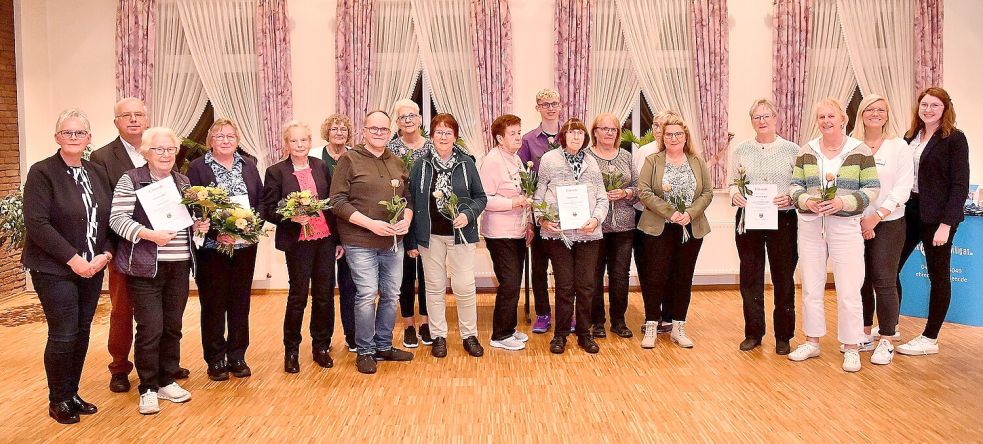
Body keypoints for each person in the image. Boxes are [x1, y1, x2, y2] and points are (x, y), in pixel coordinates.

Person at [90, 97, 188, 392]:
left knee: (168, 322)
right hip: (128, 250)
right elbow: (109, 211)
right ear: (116, 121)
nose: (133, 119)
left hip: (174, 261)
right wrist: (144, 234)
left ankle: (164, 371)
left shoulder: (179, 178)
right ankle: (121, 368)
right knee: (126, 314)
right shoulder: (106, 158)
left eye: (139, 114)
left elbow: (184, 216)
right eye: (126, 115)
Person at [23, 109, 114, 424]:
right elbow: (37, 223)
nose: (74, 138)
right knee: (63, 333)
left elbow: (110, 219)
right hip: (54, 269)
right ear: (57, 137)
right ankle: (58, 399)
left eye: (80, 133)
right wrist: (73, 259)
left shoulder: (97, 172)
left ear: (89, 139)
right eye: (67, 132)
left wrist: (106, 254)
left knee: (82, 330)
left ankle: (72, 392)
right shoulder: (42, 172)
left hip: (93, 267)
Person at [788, 98, 880, 373]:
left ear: (843, 119)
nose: (826, 121)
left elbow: (872, 189)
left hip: (845, 226)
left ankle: (851, 346)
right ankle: (812, 341)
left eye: (831, 116)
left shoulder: (860, 151)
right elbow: (795, 186)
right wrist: (806, 200)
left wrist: (843, 203)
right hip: (811, 225)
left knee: (849, 289)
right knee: (811, 286)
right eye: (821, 117)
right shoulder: (807, 151)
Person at [110, 126, 196, 414]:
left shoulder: (182, 181)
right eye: (159, 149)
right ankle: (147, 386)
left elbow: (188, 221)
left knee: (173, 327)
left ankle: (167, 380)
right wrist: (149, 234)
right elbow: (117, 219)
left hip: (179, 266)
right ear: (145, 152)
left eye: (170, 149)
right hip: (145, 268)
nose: (165, 154)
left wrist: (200, 226)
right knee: (150, 328)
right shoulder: (130, 180)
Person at [331, 110, 415, 374]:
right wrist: (370, 224)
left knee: (392, 294)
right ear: (364, 131)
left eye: (384, 129)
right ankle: (365, 350)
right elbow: (337, 202)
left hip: (392, 242)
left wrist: (407, 220)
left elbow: (408, 199)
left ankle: (383, 345)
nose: (379, 133)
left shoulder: (397, 161)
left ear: (391, 133)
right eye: (374, 129)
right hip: (360, 241)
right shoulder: (349, 159)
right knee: (366, 295)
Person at [260, 121, 340, 374]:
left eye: (303, 140)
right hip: (298, 244)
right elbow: (268, 209)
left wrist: (338, 240)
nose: (299, 145)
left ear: (310, 141)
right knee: (297, 297)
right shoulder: (275, 172)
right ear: (286, 144)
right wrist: (291, 217)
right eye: (294, 141)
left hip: (325, 240)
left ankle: (321, 347)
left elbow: (331, 204)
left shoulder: (320, 166)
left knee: (325, 295)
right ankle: (291, 350)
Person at [186, 119, 264, 380]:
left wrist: (250, 228)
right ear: (210, 140)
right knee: (214, 303)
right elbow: (193, 205)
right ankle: (216, 359)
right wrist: (217, 232)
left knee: (240, 302)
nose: (226, 140)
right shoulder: (198, 167)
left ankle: (238, 355)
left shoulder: (249, 166)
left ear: (237, 140)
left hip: (244, 246)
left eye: (230, 136)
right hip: (212, 247)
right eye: (219, 136)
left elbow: (260, 202)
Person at [896, 87, 970, 356]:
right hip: (909, 211)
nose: (928, 110)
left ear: (945, 109)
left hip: (938, 217)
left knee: (939, 276)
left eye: (934, 105)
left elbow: (960, 185)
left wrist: (947, 224)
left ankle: (930, 338)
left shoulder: (954, 139)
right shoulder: (910, 137)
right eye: (924, 105)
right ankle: (891, 325)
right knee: (889, 268)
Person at [406, 113, 487, 358]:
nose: (443, 136)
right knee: (433, 286)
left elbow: (480, 198)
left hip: (460, 236)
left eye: (448, 132)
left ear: (455, 136)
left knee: (464, 285)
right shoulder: (420, 165)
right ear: (431, 136)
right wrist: (412, 241)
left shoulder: (467, 163)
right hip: (429, 237)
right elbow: (411, 201)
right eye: (438, 132)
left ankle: (469, 335)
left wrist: (469, 215)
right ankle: (438, 335)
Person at [728, 99, 800, 355]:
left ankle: (784, 336)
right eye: (757, 117)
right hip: (749, 218)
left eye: (766, 116)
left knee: (783, 278)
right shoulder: (741, 150)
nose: (762, 121)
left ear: (776, 117)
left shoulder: (793, 150)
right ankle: (753, 332)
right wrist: (735, 194)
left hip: (783, 218)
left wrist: (790, 196)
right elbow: (733, 183)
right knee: (750, 278)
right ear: (752, 122)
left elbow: (800, 184)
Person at [636, 115, 713, 350]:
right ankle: (651, 326)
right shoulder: (653, 160)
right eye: (669, 134)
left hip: (690, 228)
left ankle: (678, 327)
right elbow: (644, 191)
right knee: (655, 278)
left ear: (686, 136)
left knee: (683, 278)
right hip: (659, 229)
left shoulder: (697, 161)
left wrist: (690, 213)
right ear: (662, 137)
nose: (673, 138)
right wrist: (670, 212)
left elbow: (707, 192)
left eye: (678, 134)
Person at [533, 118, 608, 355]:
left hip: (588, 234)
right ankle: (560, 334)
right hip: (559, 234)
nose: (576, 137)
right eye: (571, 132)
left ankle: (585, 334)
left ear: (585, 137)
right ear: (563, 135)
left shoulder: (592, 162)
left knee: (586, 286)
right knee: (564, 286)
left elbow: (602, 198)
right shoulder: (549, 159)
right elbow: (539, 194)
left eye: (580, 133)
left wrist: (595, 219)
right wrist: (542, 219)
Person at [850, 95, 914, 365]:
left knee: (884, 279)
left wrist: (876, 217)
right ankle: (864, 332)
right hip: (853, 222)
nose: (875, 114)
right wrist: (859, 217)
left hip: (888, 222)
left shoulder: (898, 147)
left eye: (881, 110)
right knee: (860, 279)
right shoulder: (851, 146)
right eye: (870, 109)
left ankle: (887, 337)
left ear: (887, 115)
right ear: (861, 114)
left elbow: (903, 187)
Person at [481, 114, 535, 352]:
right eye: (512, 133)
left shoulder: (515, 159)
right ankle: (499, 334)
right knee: (510, 283)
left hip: (518, 230)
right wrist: (512, 204)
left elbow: (525, 194)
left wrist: (529, 224)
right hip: (500, 232)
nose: (517, 137)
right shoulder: (492, 160)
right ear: (499, 138)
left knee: (514, 283)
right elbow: (484, 199)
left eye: (518, 132)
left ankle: (510, 329)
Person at [586, 113, 636, 339]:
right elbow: (577, 188)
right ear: (594, 131)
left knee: (620, 275)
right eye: (604, 128)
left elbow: (638, 187)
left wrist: (626, 192)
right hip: (594, 227)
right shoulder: (585, 157)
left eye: (613, 129)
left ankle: (619, 320)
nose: (608, 133)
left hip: (624, 228)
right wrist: (598, 196)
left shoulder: (626, 156)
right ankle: (597, 322)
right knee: (594, 275)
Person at [387, 99, 433, 348]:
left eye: (412, 116)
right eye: (403, 117)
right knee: (404, 276)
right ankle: (408, 326)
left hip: (427, 219)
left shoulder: (432, 147)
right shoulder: (390, 149)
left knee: (427, 275)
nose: (408, 121)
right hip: (400, 217)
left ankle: (426, 323)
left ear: (420, 119)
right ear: (397, 122)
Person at [632, 110, 681, 337]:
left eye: (664, 125)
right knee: (649, 270)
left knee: (673, 270)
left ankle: (669, 316)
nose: (658, 130)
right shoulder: (644, 152)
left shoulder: (682, 153)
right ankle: (653, 315)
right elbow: (639, 187)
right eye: (655, 125)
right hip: (646, 219)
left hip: (675, 222)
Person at [518, 88, 562, 333]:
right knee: (539, 266)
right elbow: (525, 181)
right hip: (540, 212)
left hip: (566, 213)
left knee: (565, 268)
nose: (550, 108)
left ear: (560, 105)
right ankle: (543, 313)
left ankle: (566, 313)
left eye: (554, 103)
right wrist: (530, 220)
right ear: (538, 108)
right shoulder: (528, 140)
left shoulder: (570, 135)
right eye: (545, 104)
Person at [320, 114, 358, 352]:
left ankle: (352, 335)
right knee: (324, 287)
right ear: (327, 132)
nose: (339, 132)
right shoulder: (316, 156)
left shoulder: (354, 156)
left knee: (350, 285)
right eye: (334, 129)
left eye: (343, 129)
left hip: (348, 226)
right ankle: (323, 340)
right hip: (322, 228)